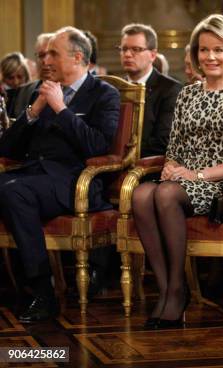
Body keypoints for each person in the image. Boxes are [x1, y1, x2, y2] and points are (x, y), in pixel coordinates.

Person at [131, 14, 223, 330]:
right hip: (183, 179)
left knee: (163, 194)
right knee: (140, 194)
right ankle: (166, 290)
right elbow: (174, 146)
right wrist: (172, 168)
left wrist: (196, 175)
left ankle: (176, 291)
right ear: (195, 54)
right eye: (204, 50)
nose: (210, 57)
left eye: (218, 49)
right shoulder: (188, 93)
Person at [0, 27, 120, 323]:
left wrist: (61, 108)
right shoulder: (42, 90)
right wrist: (33, 111)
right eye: (45, 54)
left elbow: (98, 145)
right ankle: (22, 286)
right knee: (12, 189)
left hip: (75, 182)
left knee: (12, 191)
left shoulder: (104, 94)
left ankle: (43, 290)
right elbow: (8, 149)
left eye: (54, 53)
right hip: (34, 176)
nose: (46, 60)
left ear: (77, 57)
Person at [119, 23, 182, 158]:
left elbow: (163, 141)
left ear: (153, 55)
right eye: (124, 49)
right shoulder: (114, 87)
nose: (128, 54)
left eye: (136, 49)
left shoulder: (170, 90)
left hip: (148, 167)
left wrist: (122, 150)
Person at [9, 33, 53, 118]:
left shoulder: (69, 90)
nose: (45, 61)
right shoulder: (22, 91)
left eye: (51, 55)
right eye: (41, 55)